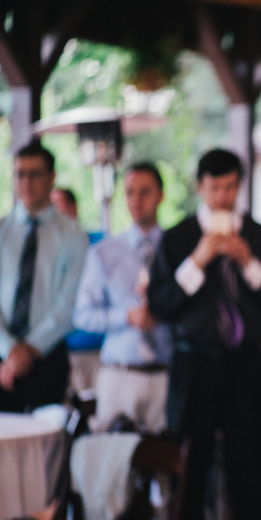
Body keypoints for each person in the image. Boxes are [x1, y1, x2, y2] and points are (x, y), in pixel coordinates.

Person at [147, 148, 261, 520]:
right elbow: (160, 305)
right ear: (200, 188)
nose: (224, 196)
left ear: (239, 185)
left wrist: (248, 260)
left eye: (231, 187)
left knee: (249, 475)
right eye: (215, 188)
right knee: (190, 477)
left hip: (246, 369)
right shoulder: (177, 238)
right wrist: (199, 259)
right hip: (193, 368)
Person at [73, 163, 172, 432]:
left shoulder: (176, 249)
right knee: (114, 463)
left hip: (166, 372)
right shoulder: (104, 252)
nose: (136, 200)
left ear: (160, 195)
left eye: (144, 192)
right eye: (130, 192)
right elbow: (82, 315)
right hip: (120, 372)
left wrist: (162, 316)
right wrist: (126, 316)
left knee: (165, 462)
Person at [0, 141, 88, 412]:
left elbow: (70, 300)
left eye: (35, 174)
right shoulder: (2, 230)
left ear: (51, 177)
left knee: (46, 447)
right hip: (3, 354)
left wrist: (30, 348)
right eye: (20, 174)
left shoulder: (73, 235)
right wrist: (9, 349)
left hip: (47, 356)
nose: (26, 182)